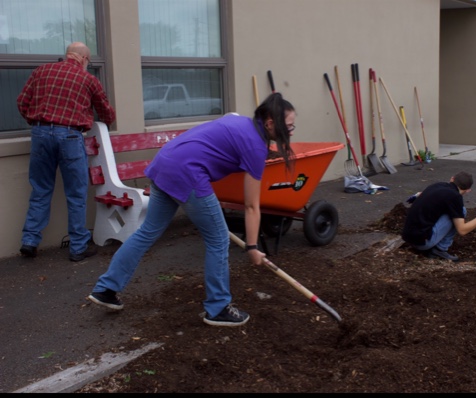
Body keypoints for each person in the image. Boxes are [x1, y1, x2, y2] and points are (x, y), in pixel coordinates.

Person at [87, 92, 296, 327]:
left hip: (165, 162)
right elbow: (251, 205)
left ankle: (106, 289)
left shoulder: (241, 122)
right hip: (187, 173)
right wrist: (252, 246)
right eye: (289, 126)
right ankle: (217, 308)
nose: (291, 131)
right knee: (218, 239)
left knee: (148, 231)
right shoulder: (255, 147)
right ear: (270, 124)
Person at [17, 42, 116, 262]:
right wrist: (107, 122)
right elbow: (105, 111)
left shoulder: (41, 71)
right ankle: (78, 247)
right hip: (70, 136)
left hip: (41, 134)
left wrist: (38, 123)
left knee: (41, 189)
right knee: (76, 193)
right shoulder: (88, 79)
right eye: (88, 63)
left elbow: (22, 102)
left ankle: (30, 241)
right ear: (83, 59)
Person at [402, 171, 476, 262]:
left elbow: (422, 194)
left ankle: (434, 245)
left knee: (452, 211)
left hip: (408, 236)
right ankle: (440, 249)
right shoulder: (455, 197)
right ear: (468, 190)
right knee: (462, 211)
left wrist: (416, 196)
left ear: (452, 179)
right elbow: (462, 230)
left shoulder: (437, 185)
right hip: (422, 242)